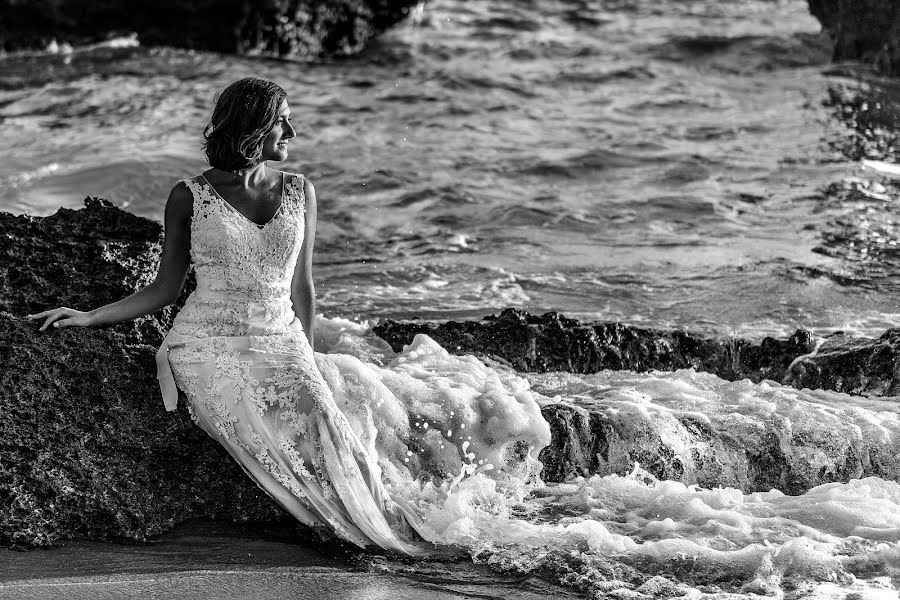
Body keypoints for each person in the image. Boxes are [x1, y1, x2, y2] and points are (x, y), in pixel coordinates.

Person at [26, 77, 428, 554]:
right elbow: (166, 288)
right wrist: (93, 317)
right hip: (206, 346)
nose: (292, 133)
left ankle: (381, 525)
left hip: (282, 339)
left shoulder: (301, 190)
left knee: (324, 417)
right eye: (283, 120)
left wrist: (310, 357)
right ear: (254, 125)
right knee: (262, 433)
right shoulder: (189, 196)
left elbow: (302, 285)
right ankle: (338, 529)